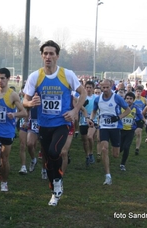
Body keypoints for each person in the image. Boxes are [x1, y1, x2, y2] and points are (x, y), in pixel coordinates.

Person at [23, 40, 87, 206]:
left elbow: (84, 93)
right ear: (42, 56)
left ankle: (57, 180)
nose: (48, 56)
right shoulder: (35, 76)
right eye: (45, 53)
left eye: (52, 53)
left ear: (57, 56)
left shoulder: (67, 74)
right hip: (44, 125)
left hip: (62, 123)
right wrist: (31, 104)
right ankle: (55, 187)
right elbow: (25, 101)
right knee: (47, 159)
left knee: (54, 151)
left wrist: (74, 111)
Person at [0, 67, 27, 192]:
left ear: (8, 79)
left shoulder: (12, 95)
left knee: (5, 159)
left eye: (3, 78)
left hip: (7, 131)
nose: (0, 81)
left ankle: (4, 182)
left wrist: (13, 115)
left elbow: (23, 112)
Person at [88, 79, 131, 186]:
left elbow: (128, 110)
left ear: (111, 86)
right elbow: (94, 111)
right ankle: (108, 175)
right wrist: (91, 119)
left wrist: (118, 117)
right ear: (101, 87)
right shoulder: (98, 99)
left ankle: (115, 152)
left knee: (115, 154)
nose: (105, 89)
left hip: (115, 128)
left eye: (107, 87)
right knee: (104, 149)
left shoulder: (116, 98)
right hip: (103, 127)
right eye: (103, 87)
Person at [119, 92, 144, 171]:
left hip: (130, 131)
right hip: (121, 130)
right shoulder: (120, 107)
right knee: (120, 148)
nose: (129, 100)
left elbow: (141, 117)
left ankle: (122, 164)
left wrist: (146, 121)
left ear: (133, 100)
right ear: (125, 99)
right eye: (127, 99)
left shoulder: (135, 108)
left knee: (127, 147)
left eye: (131, 99)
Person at [133, 85, 147, 155]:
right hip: (133, 118)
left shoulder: (144, 99)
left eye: (140, 91)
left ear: (142, 92)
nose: (138, 93)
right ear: (135, 92)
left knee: (139, 133)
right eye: (137, 91)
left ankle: (137, 148)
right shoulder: (132, 99)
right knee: (134, 132)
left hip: (140, 118)